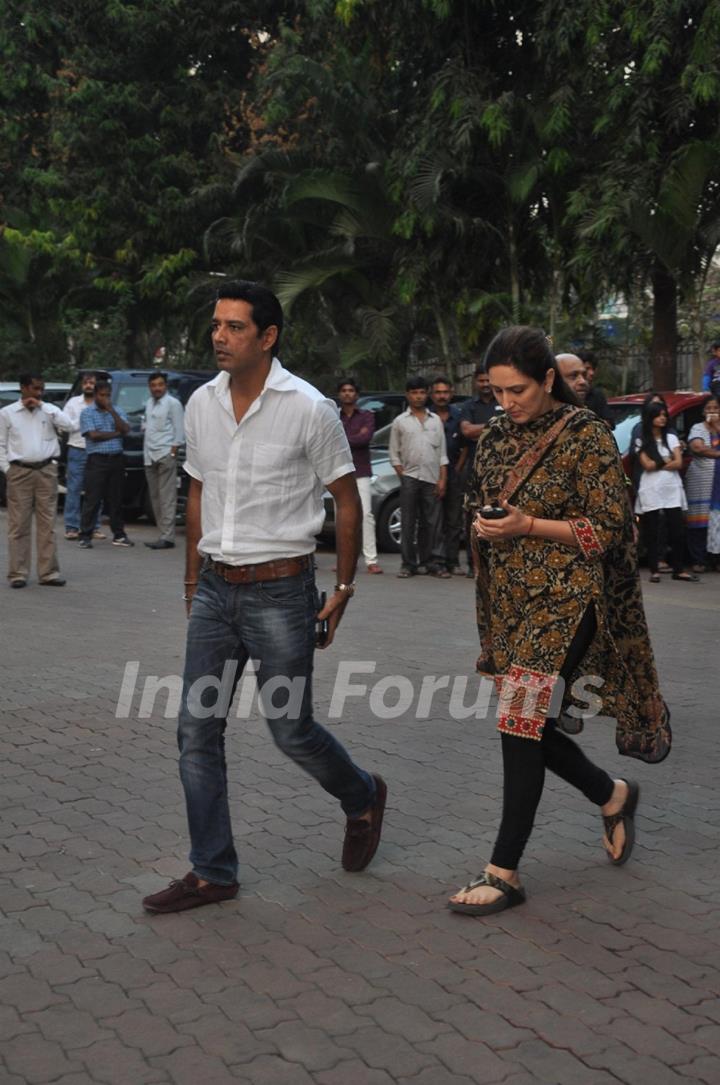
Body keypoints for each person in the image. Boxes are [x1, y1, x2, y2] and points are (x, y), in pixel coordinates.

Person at [142, 280, 386, 915]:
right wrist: (194, 581)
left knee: (289, 728)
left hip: (282, 590)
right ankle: (212, 872)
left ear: (268, 336)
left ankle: (361, 795)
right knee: (196, 729)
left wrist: (345, 586)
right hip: (217, 590)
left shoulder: (308, 407)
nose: (219, 336)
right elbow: (196, 490)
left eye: (234, 327)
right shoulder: (201, 404)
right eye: (216, 324)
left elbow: (346, 495)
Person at [448, 325, 669, 917]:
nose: (506, 403)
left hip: (571, 598)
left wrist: (528, 526)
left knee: (517, 720)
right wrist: (488, 522)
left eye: (517, 389)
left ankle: (503, 871)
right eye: (496, 392)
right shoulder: (494, 435)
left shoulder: (586, 435)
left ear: (548, 379)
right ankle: (612, 793)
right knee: (526, 724)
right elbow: (480, 502)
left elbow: (612, 529)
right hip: (513, 598)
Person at [0, 373, 72, 588]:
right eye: (34, 389)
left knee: (47, 523)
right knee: (18, 524)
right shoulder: (7, 413)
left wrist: (44, 405)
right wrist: (7, 470)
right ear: (23, 388)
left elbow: (69, 426)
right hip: (19, 471)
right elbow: (0, 444)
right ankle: (18, 573)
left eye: (41, 389)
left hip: (46, 470)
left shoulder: (49, 411)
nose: (38, 393)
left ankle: (48, 572)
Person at [389, 375, 448, 578]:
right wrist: (403, 475)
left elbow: (442, 454)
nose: (418, 396)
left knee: (433, 523)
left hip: (432, 478)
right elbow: (394, 454)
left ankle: (434, 562)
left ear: (427, 394)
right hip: (410, 478)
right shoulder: (399, 422)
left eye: (422, 392)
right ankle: (408, 564)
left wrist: (442, 479)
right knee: (408, 523)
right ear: (408, 395)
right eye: (414, 393)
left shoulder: (436, 421)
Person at [635, 400, 697, 583]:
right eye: (658, 415)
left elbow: (678, 463)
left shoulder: (671, 438)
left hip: (671, 489)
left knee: (677, 530)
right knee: (652, 530)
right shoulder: (642, 439)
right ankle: (654, 569)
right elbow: (647, 465)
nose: (662, 419)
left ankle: (679, 568)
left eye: (664, 415)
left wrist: (660, 462)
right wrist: (666, 459)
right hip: (651, 488)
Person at [78, 380, 134, 549]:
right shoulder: (87, 413)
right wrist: (115, 434)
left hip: (116, 459)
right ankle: (85, 535)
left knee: (115, 499)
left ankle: (119, 534)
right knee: (92, 499)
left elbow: (125, 429)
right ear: (95, 395)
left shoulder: (117, 410)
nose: (105, 399)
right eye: (102, 395)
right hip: (97, 460)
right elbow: (93, 435)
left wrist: (112, 412)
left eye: (108, 395)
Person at [459, 365, 503, 577]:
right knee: (474, 518)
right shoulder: (469, 406)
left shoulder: (502, 402)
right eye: (482, 381)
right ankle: (473, 564)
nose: (485, 385)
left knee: (497, 518)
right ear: (476, 382)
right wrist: (496, 424)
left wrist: (481, 428)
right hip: (476, 472)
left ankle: (492, 564)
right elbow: (467, 431)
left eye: (488, 381)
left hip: (501, 472)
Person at [337, 378, 382, 573]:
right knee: (342, 515)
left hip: (361, 470)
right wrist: (353, 438)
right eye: (344, 390)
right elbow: (329, 439)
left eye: (351, 390)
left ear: (356, 394)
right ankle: (343, 560)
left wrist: (343, 438)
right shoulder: (333, 416)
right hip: (338, 470)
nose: (347, 393)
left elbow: (365, 438)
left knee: (366, 514)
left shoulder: (366, 415)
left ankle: (371, 560)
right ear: (340, 394)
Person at [429, 376, 467, 576]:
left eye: (445, 392)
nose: (442, 396)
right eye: (438, 392)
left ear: (450, 393)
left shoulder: (459, 416)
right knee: (435, 521)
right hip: (431, 475)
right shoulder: (427, 416)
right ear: (432, 394)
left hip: (454, 474)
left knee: (454, 521)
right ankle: (436, 561)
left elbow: (465, 448)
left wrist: (457, 470)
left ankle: (452, 561)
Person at [143, 372, 185, 550]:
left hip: (165, 454)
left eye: (160, 384)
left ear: (165, 386)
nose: (156, 388)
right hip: (149, 455)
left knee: (167, 497)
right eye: (153, 385)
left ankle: (168, 537)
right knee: (155, 498)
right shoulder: (149, 404)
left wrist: (173, 452)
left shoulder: (173, 404)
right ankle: (163, 534)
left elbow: (179, 431)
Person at [63, 372, 105, 541]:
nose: (88, 385)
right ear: (82, 385)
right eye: (86, 382)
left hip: (97, 450)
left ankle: (94, 527)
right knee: (74, 488)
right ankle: (72, 527)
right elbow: (65, 425)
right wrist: (83, 420)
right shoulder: (73, 403)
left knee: (96, 490)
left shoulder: (101, 402)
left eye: (91, 382)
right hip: (77, 449)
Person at [684, 397, 720, 572]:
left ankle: (716, 559)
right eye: (708, 408)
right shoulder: (697, 428)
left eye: (716, 408)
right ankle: (698, 560)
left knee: (717, 521)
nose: (712, 411)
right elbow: (698, 447)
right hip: (702, 482)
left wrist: (716, 428)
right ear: (703, 411)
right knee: (700, 522)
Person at [577, 349, 614, 425]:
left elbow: (609, 422)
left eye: (593, 369)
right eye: (587, 369)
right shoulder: (563, 394)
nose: (592, 373)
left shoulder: (597, 395)